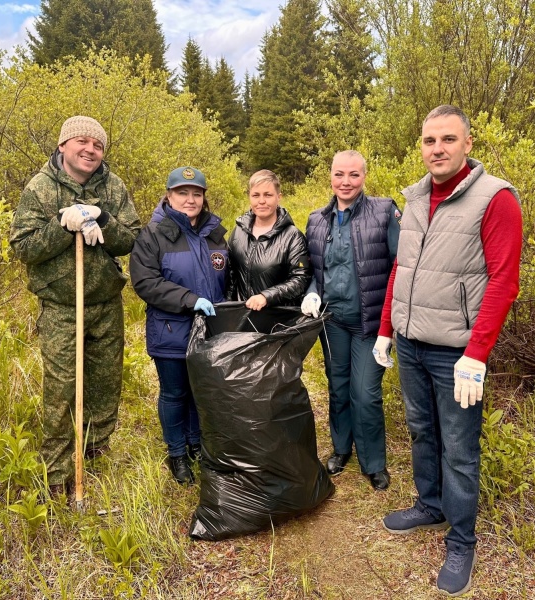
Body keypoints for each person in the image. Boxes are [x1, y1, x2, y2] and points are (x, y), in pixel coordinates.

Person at [374, 105, 522, 596]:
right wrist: (386, 329)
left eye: (447, 140)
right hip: (412, 343)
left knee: (459, 448)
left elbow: (503, 281)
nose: (437, 149)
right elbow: (402, 268)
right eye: (429, 140)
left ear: (468, 143)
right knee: (421, 431)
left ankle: (462, 539)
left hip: (455, 354)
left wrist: (477, 353)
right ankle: (430, 505)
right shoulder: (415, 198)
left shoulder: (494, 198)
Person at [9, 115, 142, 496]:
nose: (90, 150)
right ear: (63, 146)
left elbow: (130, 239)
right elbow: (23, 248)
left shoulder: (112, 186)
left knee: (104, 383)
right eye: (82, 141)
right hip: (61, 305)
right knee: (62, 387)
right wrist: (61, 226)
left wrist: (103, 217)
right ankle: (56, 473)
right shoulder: (40, 189)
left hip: (104, 301)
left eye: (98, 145)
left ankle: (93, 455)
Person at [301, 150, 401, 491]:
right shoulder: (316, 219)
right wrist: (313, 291)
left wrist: (390, 326)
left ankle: (373, 462)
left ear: (364, 176)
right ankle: (341, 449)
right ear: (330, 176)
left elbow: (399, 267)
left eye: (354, 175)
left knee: (366, 393)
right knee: (338, 387)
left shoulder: (384, 212)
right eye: (340, 174)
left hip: (370, 324)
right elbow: (315, 270)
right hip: (333, 322)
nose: (346, 182)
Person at [129, 166, 228, 485]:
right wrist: (189, 299)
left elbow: (226, 276)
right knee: (174, 393)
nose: (190, 199)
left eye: (196, 193)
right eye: (182, 192)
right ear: (169, 195)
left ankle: (197, 446)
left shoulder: (215, 233)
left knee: (201, 392)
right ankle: (177, 455)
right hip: (171, 330)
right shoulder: (154, 234)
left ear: (204, 198)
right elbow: (145, 282)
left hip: (210, 331)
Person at [227, 169, 311, 309]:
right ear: (249, 197)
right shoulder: (238, 232)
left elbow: (301, 279)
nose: (261, 201)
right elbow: (230, 276)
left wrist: (266, 296)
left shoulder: (293, 237)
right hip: (242, 318)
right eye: (256, 195)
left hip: (277, 320)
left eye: (268, 195)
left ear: (279, 197)